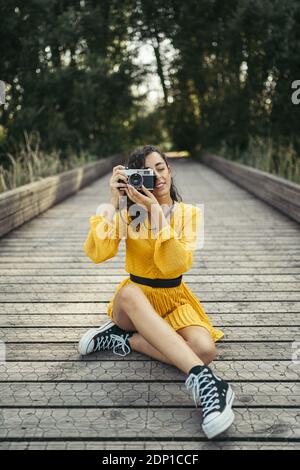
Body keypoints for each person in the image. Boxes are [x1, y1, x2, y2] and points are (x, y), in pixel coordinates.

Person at [78, 145, 235, 439]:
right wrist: (114, 200)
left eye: (160, 168)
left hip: (173, 299)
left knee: (204, 350)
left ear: (170, 169)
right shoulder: (131, 215)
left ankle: (126, 338)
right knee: (129, 293)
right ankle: (206, 381)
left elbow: (175, 265)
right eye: (147, 173)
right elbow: (97, 253)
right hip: (132, 304)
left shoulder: (188, 214)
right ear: (134, 178)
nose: (157, 177)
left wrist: (158, 216)